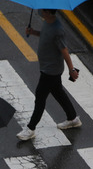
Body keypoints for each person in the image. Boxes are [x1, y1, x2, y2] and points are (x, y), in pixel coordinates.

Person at [17, 9, 81, 141]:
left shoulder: (57, 29)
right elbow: (46, 35)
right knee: (58, 92)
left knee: (40, 97)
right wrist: (33, 32)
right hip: (47, 68)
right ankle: (73, 118)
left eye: (43, 10)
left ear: (48, 12)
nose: (40, 11)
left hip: (51, 71)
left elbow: (64, 51)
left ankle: (31, 128)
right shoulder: (47, 22)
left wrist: (72, 69)